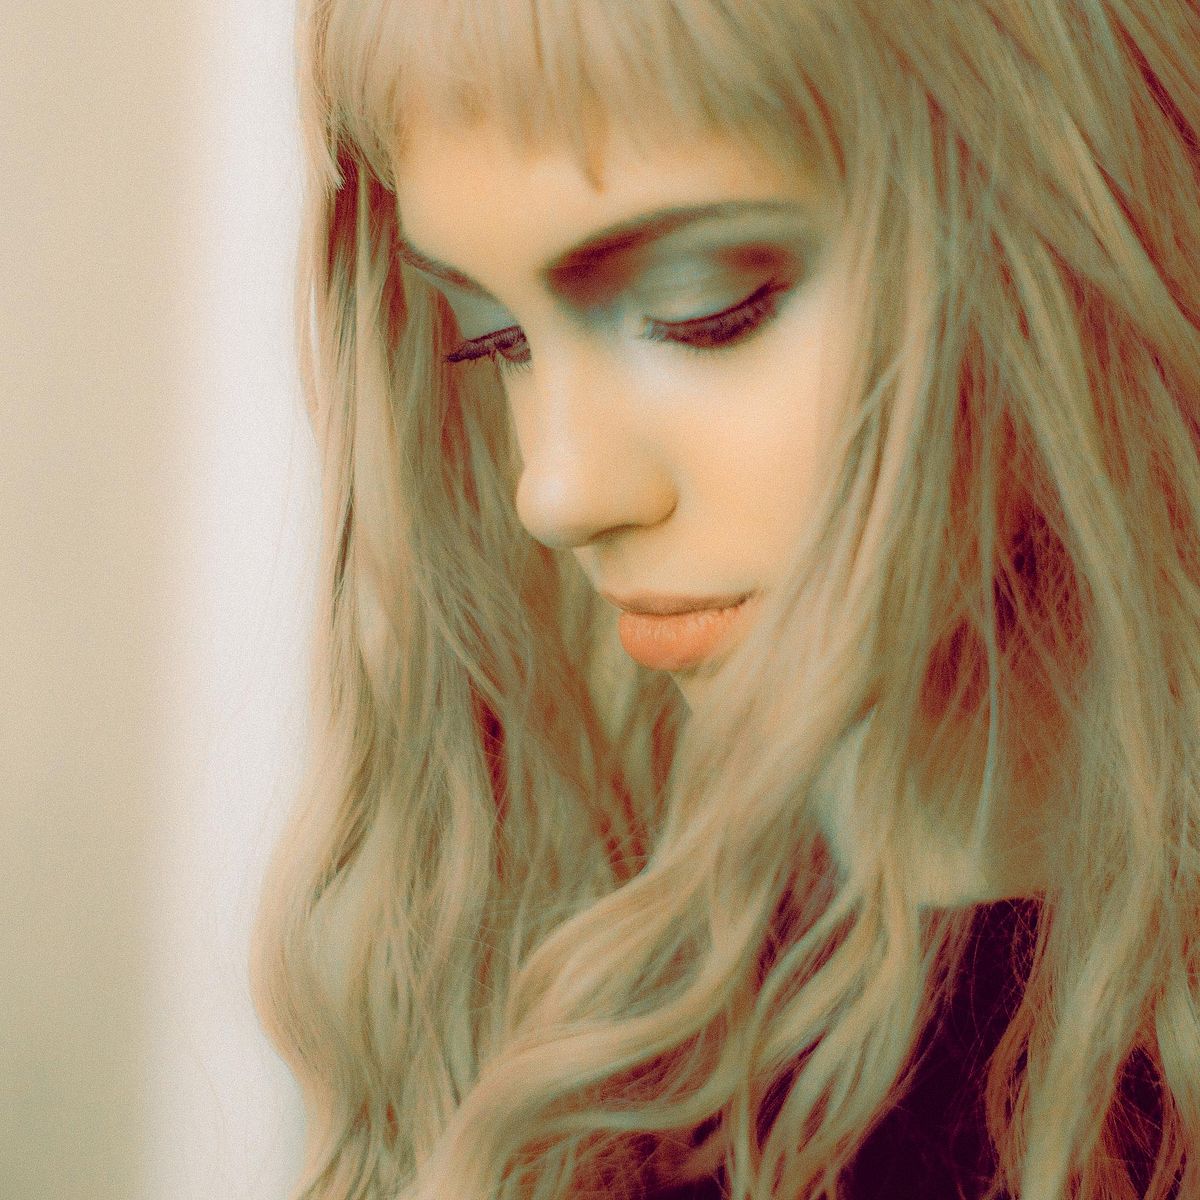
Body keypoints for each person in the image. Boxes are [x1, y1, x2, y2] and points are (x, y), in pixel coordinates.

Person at [249, 2, 1200, 1198]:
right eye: (494, 339)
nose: (557, 489)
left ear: (1076, 214)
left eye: (704, 306)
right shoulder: (602, 1055)